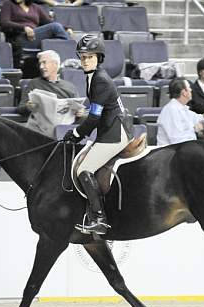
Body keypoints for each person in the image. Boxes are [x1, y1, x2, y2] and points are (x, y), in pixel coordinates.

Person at [62, 34, 132, 235]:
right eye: (82, 57)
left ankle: (99, 218)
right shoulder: (92, 76)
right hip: (108, 128)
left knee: (84, 169)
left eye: (89, 57)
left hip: (115, 132)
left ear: (98, 58)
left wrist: (76, 133)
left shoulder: (99, 80)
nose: (85, 61)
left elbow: (93, 118)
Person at [16, 49, 79, 118]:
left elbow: (78, 109)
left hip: (63, 124)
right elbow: (20, 108)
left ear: (55, 64)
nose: (41, 67)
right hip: (40, 124)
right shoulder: (33, 84)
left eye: (44, 63)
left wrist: (81, 113)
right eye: (40, 64)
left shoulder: (70, 87)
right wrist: (28, 107)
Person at [0, 0, 70, 60]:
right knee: (55, 27)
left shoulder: (35, 7)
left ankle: (66, 58)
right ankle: (72, 54)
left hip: (35, 37)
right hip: (20, 38)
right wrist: (24, 27)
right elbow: (4, 22)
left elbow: (49, 22)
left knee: (56, 38)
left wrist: (66, 28)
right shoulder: (8, 4)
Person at [156, 77, 204, 147]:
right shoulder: (171, 110)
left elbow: (199, 118)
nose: (191, 90)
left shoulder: (182, 108)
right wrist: (194, 129)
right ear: (184, 93)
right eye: (189, 88)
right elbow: (177, 140)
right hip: (171, 154)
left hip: (184, 151)